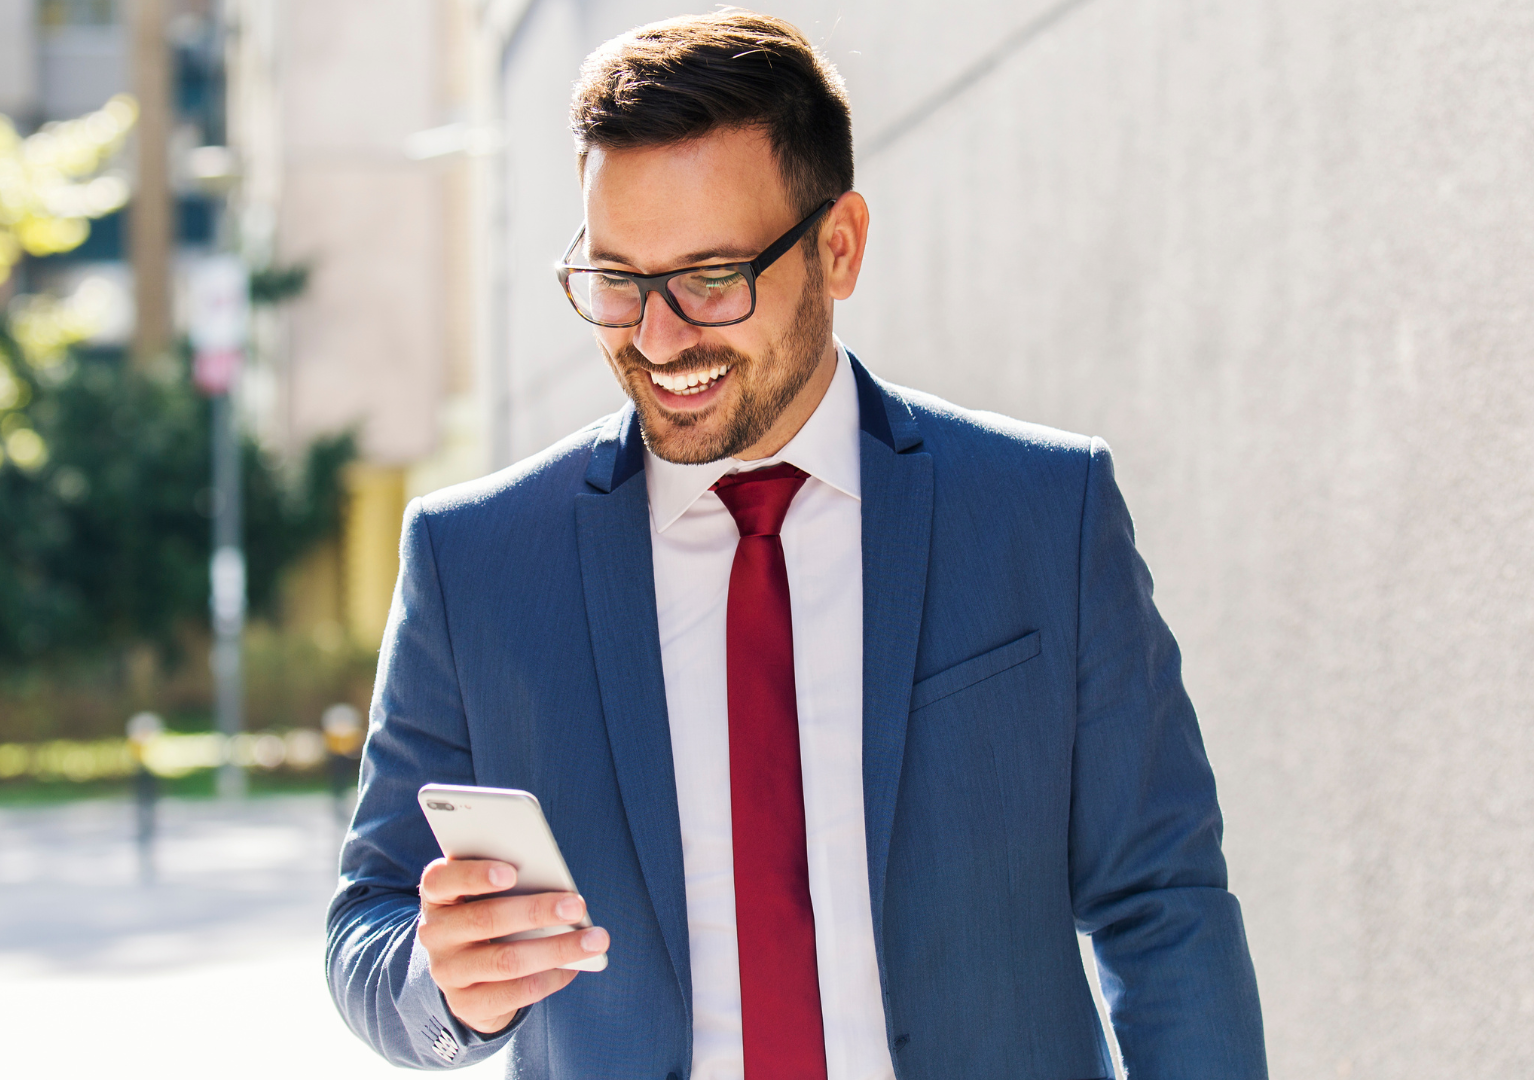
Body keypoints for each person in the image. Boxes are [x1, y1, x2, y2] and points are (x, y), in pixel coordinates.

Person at [326, 10, 1267, 1079]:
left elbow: (1163, 902)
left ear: (839, 247)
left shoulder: (1043, 513)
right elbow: (369, 926)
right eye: (618, 281)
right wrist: (446, 985)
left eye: (711, 279)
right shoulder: (477, 564)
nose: (657, 336)